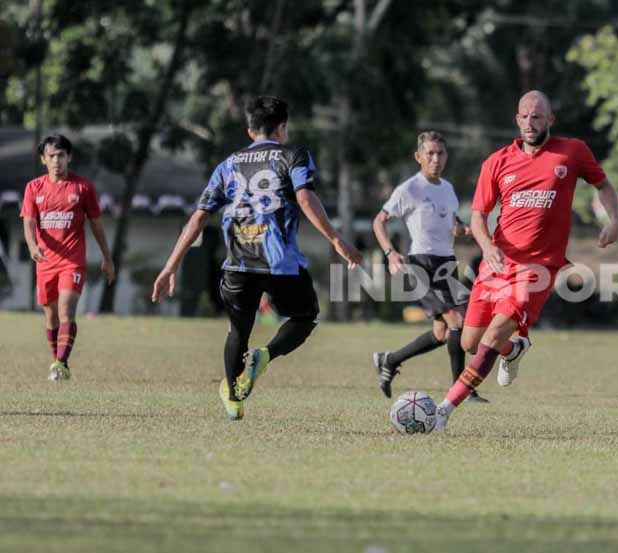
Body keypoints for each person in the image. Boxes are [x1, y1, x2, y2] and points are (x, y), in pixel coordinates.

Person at [151, 95, 363, 420]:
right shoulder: (294, 154)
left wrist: (170, 265)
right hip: (280, 262)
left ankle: (233, 398)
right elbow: (305, 199)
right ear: (282, 128)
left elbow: (199, 217)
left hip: (238, 261)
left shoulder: (229, 164)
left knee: (238, 330)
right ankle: (264, 356)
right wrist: (336, 239)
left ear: (251, 130)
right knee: (305, 318)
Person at [433, 90, 618, 431]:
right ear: (517, 120)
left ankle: (444, 409)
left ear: (550, 120)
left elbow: (603, 185)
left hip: (539, 267)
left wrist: (613, 220)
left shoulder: (572, 152)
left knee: (488, 340)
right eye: (525, 116)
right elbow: (478, 217)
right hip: (498, 263)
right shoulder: (497, 162)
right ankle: (513, 350)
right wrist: (487, 246)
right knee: (468, 341)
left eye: (537, 116)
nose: (530, 123)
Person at [371, 131, 487, 403]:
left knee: (441, 333)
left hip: (447, 263)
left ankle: (390, 359)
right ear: (418, 157)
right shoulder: (409, 189)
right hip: (420, 265)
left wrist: (469, 231)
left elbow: (452, 226)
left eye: (441, 153)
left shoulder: (447, 189)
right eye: (430, 153)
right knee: (457, 321)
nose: (436, 159)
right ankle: (462, 389)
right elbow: (379, 221)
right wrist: (390, 253)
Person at [20, 135, 115, 381]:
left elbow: (96, 224)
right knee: (50, 316)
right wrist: (32, 247)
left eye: (61, 155)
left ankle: (61, 363)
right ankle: (57, 362)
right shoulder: (34, 188)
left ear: (69, 157)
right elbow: (29, 223)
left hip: (72, 261)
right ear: (43, 159)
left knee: (66, 309)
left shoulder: (83, 188)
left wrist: (107, 257)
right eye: (51, 156)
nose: (56, 161)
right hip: (45, 262)